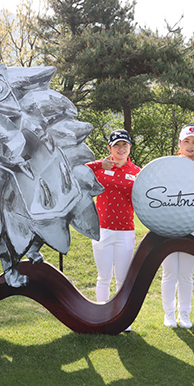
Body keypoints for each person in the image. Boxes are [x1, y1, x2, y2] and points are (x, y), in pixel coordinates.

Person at [86, 129, 141, 331]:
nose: (120, 149)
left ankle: (121, 318)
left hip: (125, 230)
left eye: (124, 145)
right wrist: (99, 164)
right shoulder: (101, 168)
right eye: (116, 145)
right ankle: (102, 316)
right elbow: (76, 170)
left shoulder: (137, 172)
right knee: (103, 277)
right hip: (102, 229)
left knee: (122, 278)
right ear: (110, 148)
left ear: (129, 147)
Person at [161, 124, 194, 329]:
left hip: (191, 225)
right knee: (169, 273)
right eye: (186, 141)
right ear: (180, 143)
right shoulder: (166, 165)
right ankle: (169, 314)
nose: (190, 146)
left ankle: (185, 314)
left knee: (186, 274)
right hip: (167, 225)